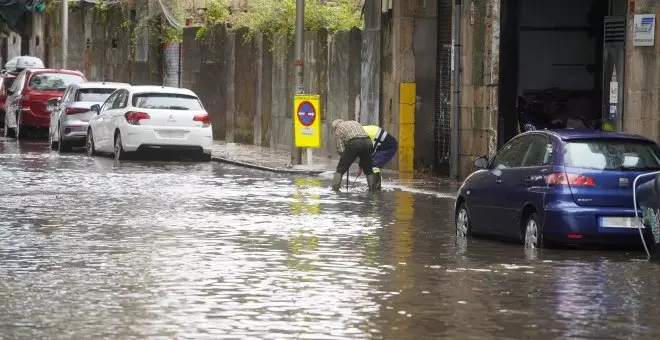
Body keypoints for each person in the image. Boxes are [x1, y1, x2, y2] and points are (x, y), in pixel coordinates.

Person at [331, 119, 377, 192]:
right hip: (368, 142)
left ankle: (334, 190)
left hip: (354, 143)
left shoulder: (338, 129)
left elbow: (340, 149)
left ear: (335, 127)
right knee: (369, 170)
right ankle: (373, 191)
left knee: (340, 169)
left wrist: (345, 161)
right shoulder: (355, 122)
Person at [358, 125, 398, 190]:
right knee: (371, 163)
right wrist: (360, 167)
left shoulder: (359, 136)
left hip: (388, 146)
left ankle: (375, 187)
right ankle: (374, 186)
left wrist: (360, 167)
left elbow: (365, 152)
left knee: (373, 164)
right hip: (381, 140)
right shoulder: (358, 130)